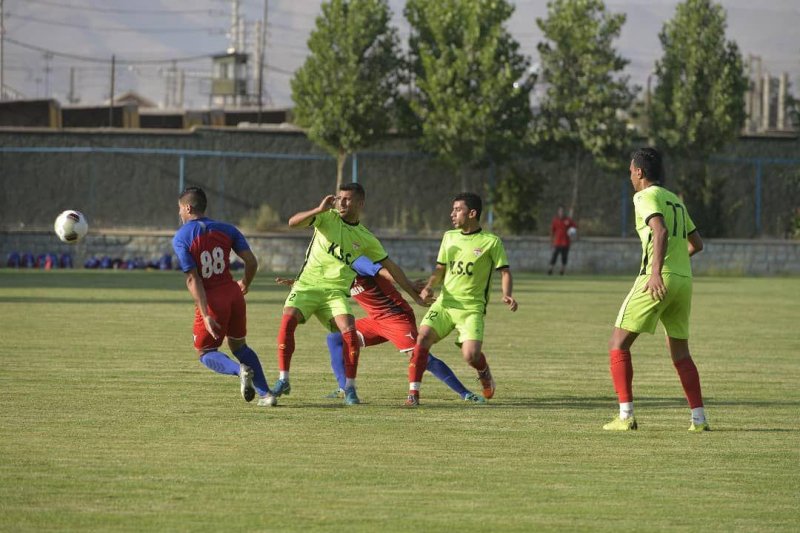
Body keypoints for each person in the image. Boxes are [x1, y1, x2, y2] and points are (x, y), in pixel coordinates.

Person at [272, 182, 428, 405]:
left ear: (360, 203)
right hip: (307, 286)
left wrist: (414, 293)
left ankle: (350, 389)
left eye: (347, 199)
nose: (342, 202)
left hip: (335, 292)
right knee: (288, 319)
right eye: (339, 198)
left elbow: (391, 267)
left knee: (348, 332)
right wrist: (318, 209)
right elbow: (292, 223)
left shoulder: (365, 238)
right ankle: (283, 379)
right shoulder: (327, 218)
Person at [276, 256, 484, 403]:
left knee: (420, 356)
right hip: (375, 321)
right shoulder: (336, 267)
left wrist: (411, 287)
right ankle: (345, 388)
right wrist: (296, 284)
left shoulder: (358, 260)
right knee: (335, 339)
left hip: (395, 318)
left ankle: (465, 393)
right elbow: (325, 286)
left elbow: (385, 272)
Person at [604, 147, 708, 432]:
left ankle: (625, 417)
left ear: (639, 172)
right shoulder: (675, 200)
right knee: (681, 354)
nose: (630, 177)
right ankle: (699, 420)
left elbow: (659, 231)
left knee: (618, 343)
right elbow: (697, 244)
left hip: (658, 279)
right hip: (683, 280)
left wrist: (656, 273)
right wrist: (674, 266)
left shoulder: (644, 196)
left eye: (630, 171)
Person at [406, 192, 518, 406]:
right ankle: (413, 394)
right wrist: (429, 286)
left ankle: (483, 371)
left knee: (471, 355)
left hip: (471, 309)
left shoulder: (491, 242)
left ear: (472, 213)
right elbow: (440, 268)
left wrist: (507, 294)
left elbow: (504, 271)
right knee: (422, 339)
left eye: (458, 210)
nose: (452, 214)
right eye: (453, 209)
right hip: (445, 304)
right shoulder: (449, 237)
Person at [172, 187, 273, 406]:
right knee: (239, 346)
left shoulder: (182, 237)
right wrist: (245, 283)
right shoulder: (227, 229)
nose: (179, 213)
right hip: (233, 294)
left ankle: (240, 371)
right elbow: (252, 262)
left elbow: (193, 279)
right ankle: (267, 395)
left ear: (188, 207)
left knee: (205, 351)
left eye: (180, 209)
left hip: (213, 300)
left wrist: (206, 313)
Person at [548, 206, 577, 275]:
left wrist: (572, 234)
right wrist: (551, 241)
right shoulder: (555, 220)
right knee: (554, 256)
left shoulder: (568, 220)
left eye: (562, 211)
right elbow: (552, 231)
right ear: (558, 212)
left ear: (564, 212)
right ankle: (550, 269)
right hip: (557, 242)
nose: (561, 213)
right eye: (560, 211)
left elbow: (574, 228)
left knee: (564, 257)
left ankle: (562, 271)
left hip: (566, 242)